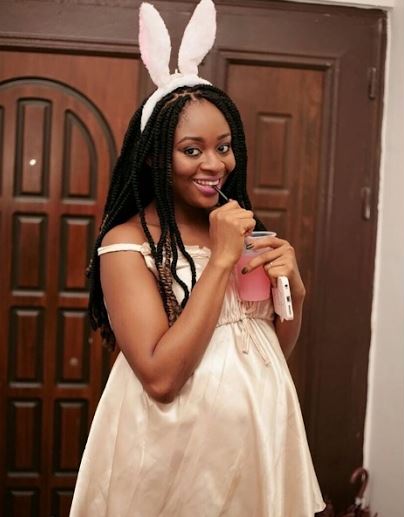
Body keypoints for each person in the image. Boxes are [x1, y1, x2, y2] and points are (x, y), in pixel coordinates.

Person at [70, 1, 325, 515]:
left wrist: (293, 293)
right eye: (192, 150)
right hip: (178, 457)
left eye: (224, 147)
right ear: (153, 156)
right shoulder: (127, 245)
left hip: (258, 443)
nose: (215, 164)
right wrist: (221, 262)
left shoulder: (237, 227)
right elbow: (161, 379)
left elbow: (268, 349)